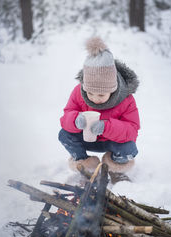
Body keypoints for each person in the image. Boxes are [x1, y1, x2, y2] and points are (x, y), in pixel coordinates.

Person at [58, 36, 140, 175]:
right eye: (90, 93)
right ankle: (86, 166)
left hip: (112, 141)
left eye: (101, 95)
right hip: (86, 138)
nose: (95, 99)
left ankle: (115, 170)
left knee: (129, 148)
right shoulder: (78, 92)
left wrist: (106, 127)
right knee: (64, 135)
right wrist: (75, 120)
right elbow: (66, 116)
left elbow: (132, 130)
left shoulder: (126, 99)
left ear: (113, 89)